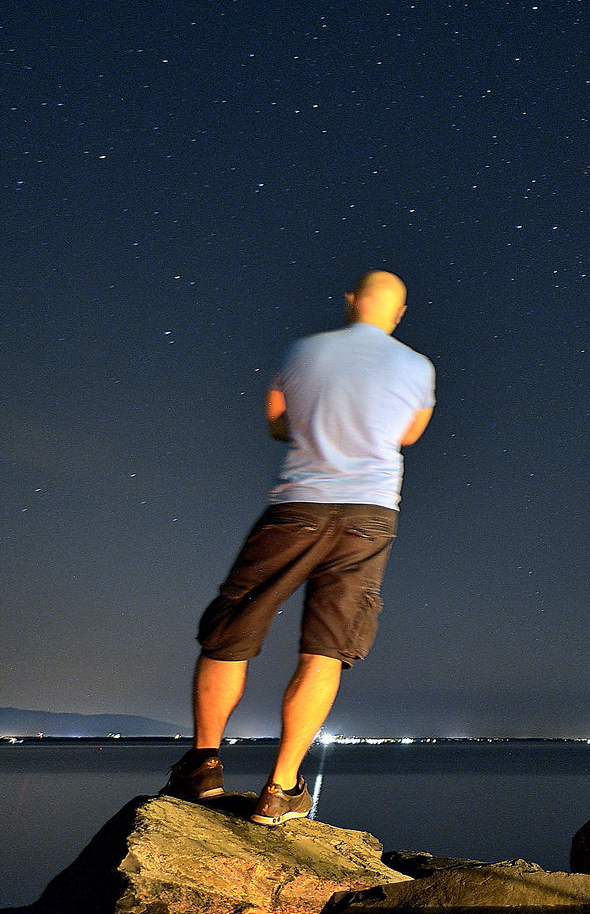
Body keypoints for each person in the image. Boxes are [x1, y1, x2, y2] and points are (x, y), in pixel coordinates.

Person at [162, 270, 436, 824]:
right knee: (326, 649)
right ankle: (280, 789)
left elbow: (275, 423)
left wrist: (314, 423)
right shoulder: (418, 366)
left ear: (351, 301)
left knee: (231, 632)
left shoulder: (302, 351)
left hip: (299, 506)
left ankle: (203, 767)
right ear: (399, 313)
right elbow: (408, 434)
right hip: (371, 514)